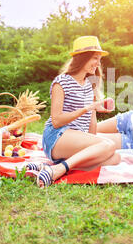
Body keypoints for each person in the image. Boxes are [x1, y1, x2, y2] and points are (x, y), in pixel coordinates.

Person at [29, 36, 120, 187]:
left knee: (114, 157)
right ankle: (57, 170)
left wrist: (94, 110)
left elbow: (90, 135)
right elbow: (57, 121)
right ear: (82, 59)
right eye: (95, 58)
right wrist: (86, 108)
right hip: (56, 137)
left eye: (99, 59)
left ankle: (50, 168)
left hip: (73, 141)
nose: (98, 64)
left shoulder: (89, 86)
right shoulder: (62, 82)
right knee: (109, 145)